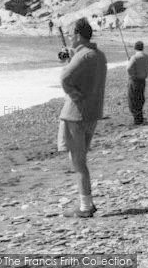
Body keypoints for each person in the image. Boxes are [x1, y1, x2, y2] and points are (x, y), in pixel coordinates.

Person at [57, 18, 107, 218]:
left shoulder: (84, 55)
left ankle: (85, 206)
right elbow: (86, 78)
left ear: (78, 35)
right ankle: (87, 202)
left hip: (76, 113)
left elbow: (64, 78)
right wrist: (72, 59)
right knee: (80, 158)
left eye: (71, 34)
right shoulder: (99, 55)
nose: (69, 37)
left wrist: (73, 93)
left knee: (78, 162)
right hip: (92, 112)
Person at [126, 41, 148, 125]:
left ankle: (137, 119)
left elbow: (128, 69)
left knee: (133, 100)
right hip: (143, 80)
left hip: (134, 80)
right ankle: (140, 117)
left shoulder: (134, 57)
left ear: (135, 48)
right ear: (142, 47)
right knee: (140, 98)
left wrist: (132, 75)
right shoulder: (147, 57)